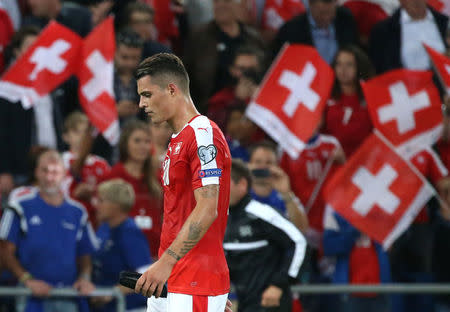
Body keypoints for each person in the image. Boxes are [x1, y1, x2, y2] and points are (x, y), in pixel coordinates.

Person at [135, 53, 232, 311]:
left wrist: (167, 263)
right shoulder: (178, 139)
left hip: (190, 279)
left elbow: (208, 207)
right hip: (173, 281)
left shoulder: (202, 134)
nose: (141, 104)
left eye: (146, 94)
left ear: (171, 89)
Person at [0, 149, 97, 312]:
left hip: (68, 295)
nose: (49, 177)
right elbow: (4, 249)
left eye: (55, 171)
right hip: (29, 296)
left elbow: (85, 254)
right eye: (45, 170)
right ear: (36, 172)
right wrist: (27, 280)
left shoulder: (78, 212)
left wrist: (84, 277)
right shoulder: (20, 206)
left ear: (64, 174)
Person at [224, 159, 307, 312]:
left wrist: (279, 285)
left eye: (223, 183)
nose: (218, 189)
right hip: (244, 304)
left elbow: (299, 242)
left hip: (272, 304)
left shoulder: (262, 213)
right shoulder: (220, 219)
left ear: (242, 184)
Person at [0, 26, 68, 193]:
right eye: (30, 47)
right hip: (19, 171)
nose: (35, 52)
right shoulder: (6, 87)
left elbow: (56, 124)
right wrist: (4, 170)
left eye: (39, 47)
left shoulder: (49, 82)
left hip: (51, 168)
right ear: (17, 52)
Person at [183, 0, 265, 113]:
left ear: (239, 4)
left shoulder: (254, 39)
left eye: (226, 1)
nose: (220, 5)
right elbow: (184, 76)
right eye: (216, 2)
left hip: (251, 110)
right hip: (208, 110)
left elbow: (266, 72)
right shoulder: (199, 37)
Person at [100, 120, 163, 258]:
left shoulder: (158, 178)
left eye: (147, 141)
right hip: (122, 253)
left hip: (154, 254)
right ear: (125, 144)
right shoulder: (113, 177)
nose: (143, 146)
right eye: (137, 141)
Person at [92, 179, 151, 312]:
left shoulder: (130, 232)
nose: (97, 206)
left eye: (101, 201)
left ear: (116, 205)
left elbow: (145, 275)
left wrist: (112, 293)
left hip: (130, 307)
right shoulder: (103, 228)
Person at [323, 206, 391, 312]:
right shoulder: (336, 216)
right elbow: (328, 247)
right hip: (350, 293)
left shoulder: (382, 216)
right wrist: (355, 230)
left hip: (380, 292)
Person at [369, 0, 449, 73]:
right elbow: (380, 69)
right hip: (405, 85)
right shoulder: (383, 31)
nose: (416, 1)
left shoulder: (445, 23)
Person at [323, 45, 374, 158]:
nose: (343, 70)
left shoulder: (371, 99)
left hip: (363, 162)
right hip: (331, 161)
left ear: (359, 67)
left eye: (349, 65)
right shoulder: (325, 97)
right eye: (339, 64)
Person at [61, 111, 110, 227]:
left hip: (97, 221)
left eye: (86, 132)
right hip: (70, 219)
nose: (83, 136)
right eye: (77, 132)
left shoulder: (101, 163)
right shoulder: (61, 161)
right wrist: (75, 193)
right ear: (65, 137)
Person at [248, 141, 309, 231]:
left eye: (268, 163)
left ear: (276, 166)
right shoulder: (239, 191)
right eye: (258, 162)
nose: (263, 166)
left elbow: (302, 229)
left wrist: (286, 193)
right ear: (249, 165)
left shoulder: (285, 195)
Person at [272, 0, 359, 63]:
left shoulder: (345, 19)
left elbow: (357, 52)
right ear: (310, 4)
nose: (326, 18)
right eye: (322, 13)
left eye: (330, 13)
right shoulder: (291, 30)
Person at [207, 44, 265, 131]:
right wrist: (238, 101)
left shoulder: (269, 96)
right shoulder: (220, 100)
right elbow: (215, 130)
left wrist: (262, 101)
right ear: (232, 70)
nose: (247, 73)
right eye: (242, 68)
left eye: (252, 69)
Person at [114, 28, 145, 124]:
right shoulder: (102, 79)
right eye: (125, 57)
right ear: (114, 53)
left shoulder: (146, 80)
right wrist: (113, 112)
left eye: (135, 58)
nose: (130, 63)